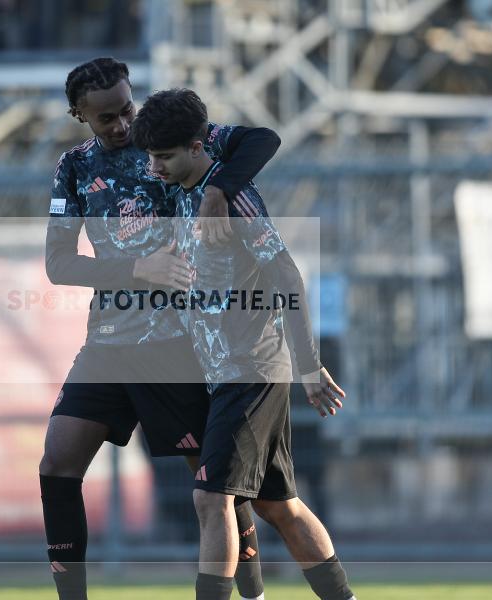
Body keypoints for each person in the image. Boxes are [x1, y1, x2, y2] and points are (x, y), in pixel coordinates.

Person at [40, 57, 282, 600]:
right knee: (57, 462)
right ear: (79, 115)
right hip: (107, 345)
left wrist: (218, 190)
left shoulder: (163, 137)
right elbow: (59, 265)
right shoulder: (74, 167)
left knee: (219, 488)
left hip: (179, 343)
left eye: (126, 108)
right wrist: (135, 269)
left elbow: (261, 139)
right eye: (106, 118)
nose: (123, 125)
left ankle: (252, 593)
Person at [131, 88, 355, 600]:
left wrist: (308, 366)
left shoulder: (233, 198)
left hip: (251, 371)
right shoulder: (187, 186)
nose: (154, 167)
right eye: (151, 156)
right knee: (280, 507)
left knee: (211, 500)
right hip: (223, 375)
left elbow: (287, 276)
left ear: (196, 146)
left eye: (163, 156)